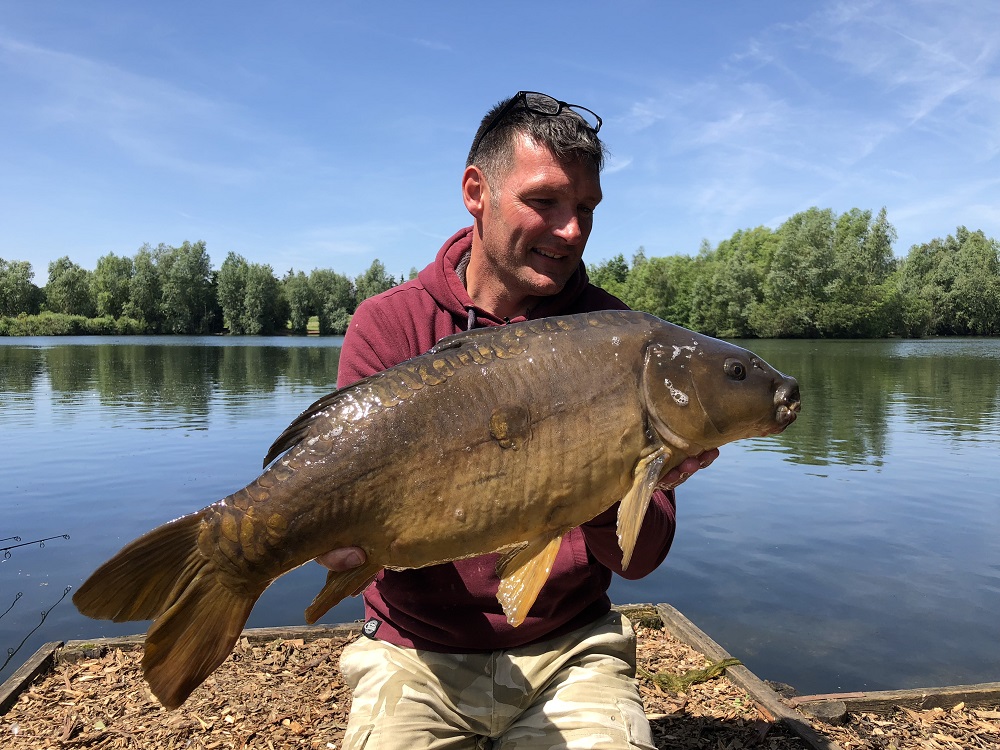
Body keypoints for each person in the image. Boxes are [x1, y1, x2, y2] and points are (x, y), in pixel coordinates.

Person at [319, 91, 718, 750]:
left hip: (570, 648)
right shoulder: (391, 324)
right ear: (476, 191)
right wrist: (338, 530)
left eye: (586, 209)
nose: (572, 231)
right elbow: (358, 520)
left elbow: (639, 559)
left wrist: (602, 477)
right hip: (415, 652)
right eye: (545, 202)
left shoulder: (624, 340)